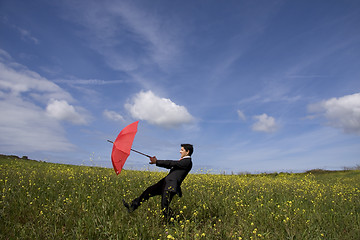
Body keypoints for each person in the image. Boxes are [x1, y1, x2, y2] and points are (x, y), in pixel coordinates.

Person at [123, 144, 193, 219]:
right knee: (148, 191)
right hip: (164, 184)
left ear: (187, 151)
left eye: (182, 150)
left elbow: (171, 163)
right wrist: (156, 161)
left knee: (164, 207)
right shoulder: (182, 162)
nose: (180, 151)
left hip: (170, 186)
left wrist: (157, 161)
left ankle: (173, 222)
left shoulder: (187, 162)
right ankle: (132, 206)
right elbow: (170, 165)